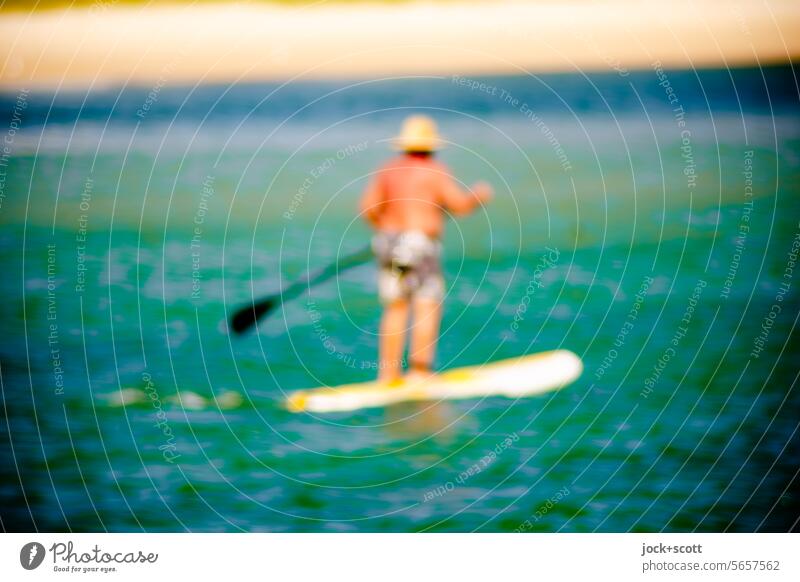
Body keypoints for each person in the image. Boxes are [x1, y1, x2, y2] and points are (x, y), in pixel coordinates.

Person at [360, 114, 493, 384]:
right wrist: (478, 197)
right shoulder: (436, 170)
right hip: (420, 245)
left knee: (395, 306)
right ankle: (420, 373)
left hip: (389, 241)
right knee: (426, 304)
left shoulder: (388, 169)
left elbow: (368, 209)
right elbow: (458, 205)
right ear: (432, 145)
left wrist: (388, 230)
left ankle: (388, 374)